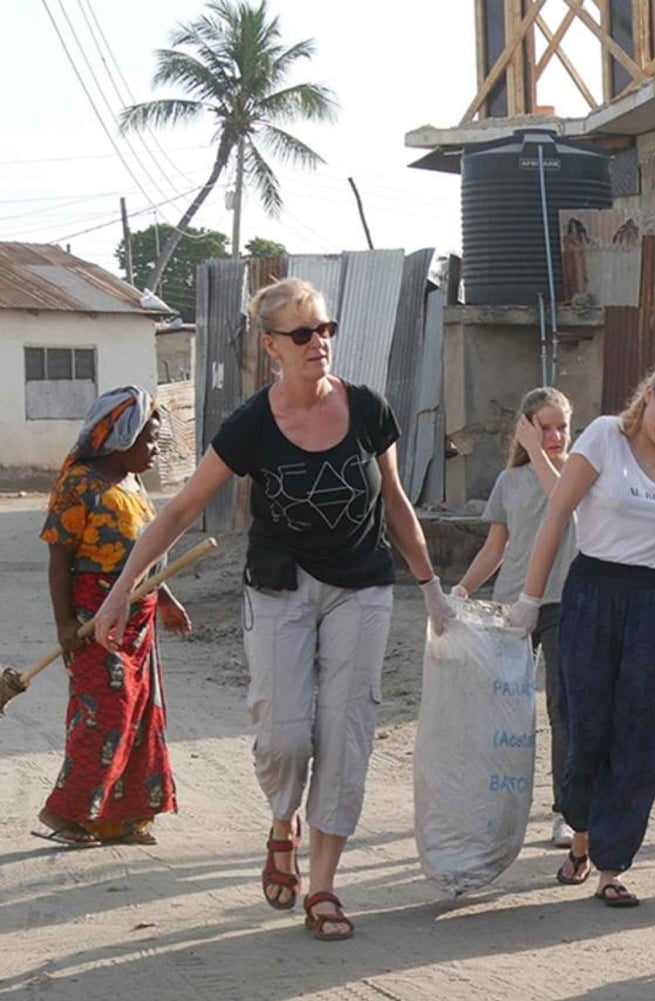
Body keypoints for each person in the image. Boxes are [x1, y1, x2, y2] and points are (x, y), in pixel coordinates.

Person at [90, 277, 457, 942]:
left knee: (346, 732)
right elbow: (180, 509)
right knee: (286, 736)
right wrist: (122, 590)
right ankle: (281, 822)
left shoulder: (368, 408)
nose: (319, 342)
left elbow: (396, 501)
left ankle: (324, 886)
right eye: (303, 333)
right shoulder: (251, 425)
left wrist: (431, 587)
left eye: (325, 329)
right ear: (272, 347)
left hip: (362, 586)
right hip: (280, 587)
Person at [508, 355, 655, 908]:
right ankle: (581, 836)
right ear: (648, 395)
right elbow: (557, 516)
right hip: (594, 593)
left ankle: (612, 866)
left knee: (643, 735)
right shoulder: (603, 437)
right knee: (587, 727)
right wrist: (529, 600)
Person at [35, 386, 190, 847]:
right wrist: (65, 624)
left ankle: (121, 817)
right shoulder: (79, 484)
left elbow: (145, 557)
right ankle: (66, 812)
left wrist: (165, 598)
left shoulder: (133, 484)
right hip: (94, 616)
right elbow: (60, 560)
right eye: (149, 442)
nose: (155, 451)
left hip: (138, 619)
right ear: (119, 439)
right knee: (105, 714)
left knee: (141, 713)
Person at [452, 387, 578, 849]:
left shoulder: (579, 473)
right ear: (526, 428)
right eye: (545, 428)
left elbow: (562, 501)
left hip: (563, 601)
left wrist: (536, 451)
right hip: (512, 607)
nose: (556, 436)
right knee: (503, 711)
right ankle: (494, 808)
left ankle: (566, 812)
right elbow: (496, 548)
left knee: (563, 709)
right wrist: (461, 590)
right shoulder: (509, 482)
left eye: (562, 426)